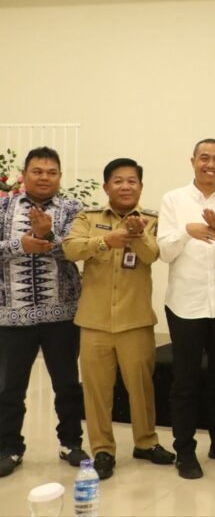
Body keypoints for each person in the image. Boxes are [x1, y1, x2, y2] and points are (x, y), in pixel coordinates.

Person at [63, 158, 175, 480]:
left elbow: (151, 255)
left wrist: (136, 236)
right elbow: (70, 249)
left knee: (141, 388)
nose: (126, 186)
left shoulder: (151, 220)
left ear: (140, 186)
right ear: (106, 186)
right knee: (96, 392)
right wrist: (105, 241)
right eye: (118, 181)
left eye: (132, 181)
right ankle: (102, 450)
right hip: (94, 322)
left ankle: (146, 442)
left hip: (135, 321)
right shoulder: (89, 217)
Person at [158, 138, 215, 479]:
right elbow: (165, 252)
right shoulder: (173, 199)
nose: (211, 164)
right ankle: (184, 450)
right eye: (204, 158)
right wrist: (188, 231)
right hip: (185, 304)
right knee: (185, 382)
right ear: (193, 161)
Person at [0, 147, 88, 477]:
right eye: (37, 171)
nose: (44, 177)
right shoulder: (3, 206)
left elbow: (78, 251)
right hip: (12, 316)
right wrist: (19, 245)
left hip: (62, 316)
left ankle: (71, 442)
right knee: (9, 389)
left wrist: (48, 236)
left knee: (67, 385)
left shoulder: (72, 209)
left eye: (51, 172)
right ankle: (9, 447)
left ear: (60, 177)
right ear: (25, 175)